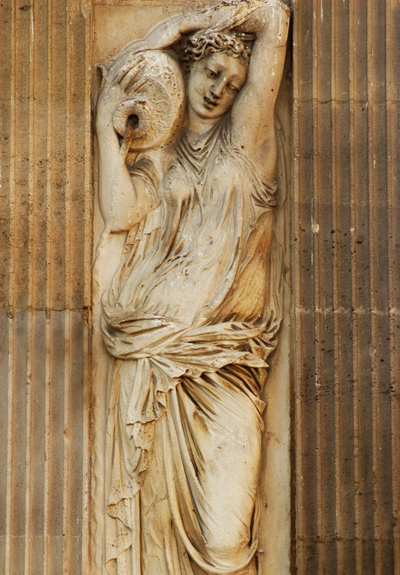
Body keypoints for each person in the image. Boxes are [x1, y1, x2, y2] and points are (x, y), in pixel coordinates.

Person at [96, 1, 290, 573]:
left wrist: (183, 23)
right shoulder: (162, 158)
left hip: (226, 361)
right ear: (188, 70)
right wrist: (110, 135)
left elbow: (274, 17)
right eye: (210, 73)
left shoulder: (246, 145)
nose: (219, 89)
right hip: (152, 359)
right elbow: (119, 212)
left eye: (232, 84)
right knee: (154, 533)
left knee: (225, 539)